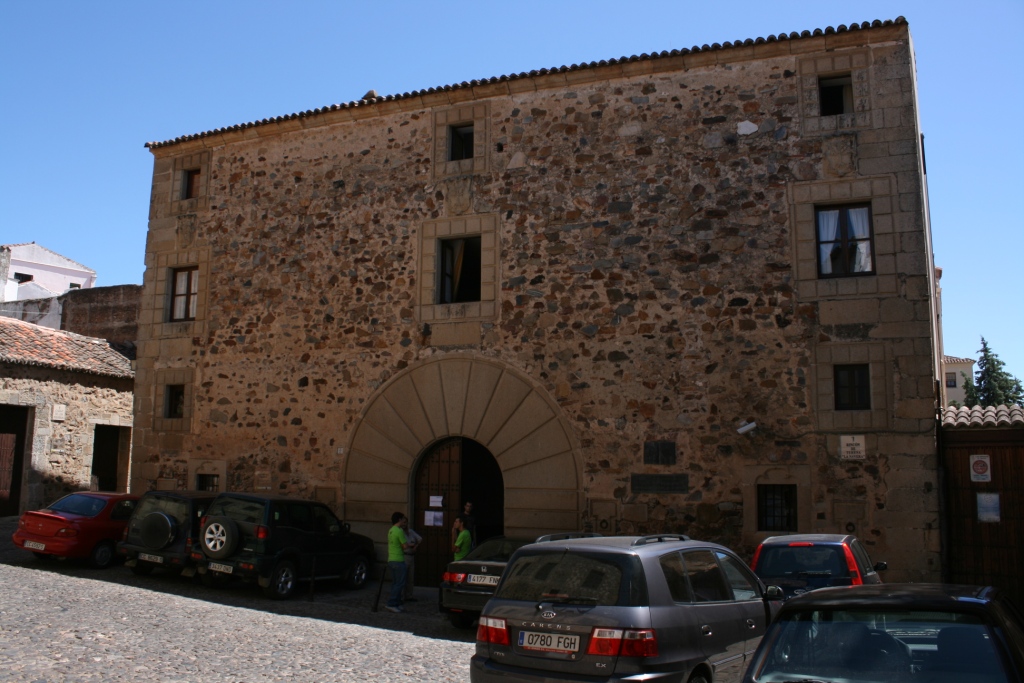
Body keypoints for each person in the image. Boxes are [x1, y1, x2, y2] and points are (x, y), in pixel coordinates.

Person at [386, 512, 413, 613]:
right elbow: (404, 546)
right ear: (399, 520)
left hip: (391, 559)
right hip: (399, 560)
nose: (403, 521)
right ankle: (391, 603)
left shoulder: (391, 530)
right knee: (400, 584)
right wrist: (410, 545)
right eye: (402, 519)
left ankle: (397, 603)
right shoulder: (399, 531)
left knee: (395, 583)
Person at [403, 521, 422, 602]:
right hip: (405, 555)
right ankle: (401, 596)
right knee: (403, 577)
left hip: (411, 556)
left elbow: (420, 539)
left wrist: (415, 547)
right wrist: (410, 545)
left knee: (410, 578)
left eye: (406, 523)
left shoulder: (411, 532)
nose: (404, 524)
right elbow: (403, 545)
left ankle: (409, 595)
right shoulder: (400, 533)